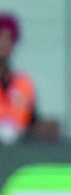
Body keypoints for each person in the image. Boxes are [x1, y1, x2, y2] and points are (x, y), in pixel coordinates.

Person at [0, 13, 34, 145]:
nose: (4, 43)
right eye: (1, 37)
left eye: (9, 39)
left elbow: (32, 120)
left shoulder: (23, 83)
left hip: (18, 150)